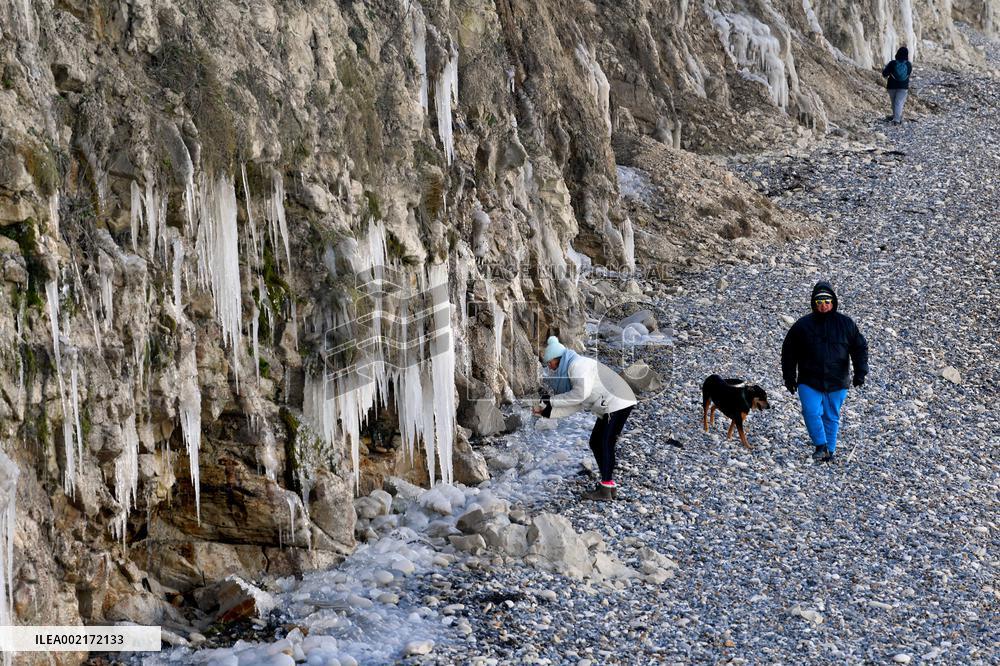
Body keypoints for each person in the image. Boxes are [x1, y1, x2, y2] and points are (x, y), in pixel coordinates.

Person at [532, 336, 637, 500]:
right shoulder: (570, 369)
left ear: (557, 358)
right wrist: (547, 413)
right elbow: (576, 404)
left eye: (549, 362)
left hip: (617, 401)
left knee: (604, 442)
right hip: (612, 403)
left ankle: (606, 489)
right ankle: (608, 486)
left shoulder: (577, 366)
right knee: (597, 442)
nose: (549, 366)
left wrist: (549, 401)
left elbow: (580, 395)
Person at [781, 282, 869, 463]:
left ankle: (829, 451)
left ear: (833, 302)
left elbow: (859, 348)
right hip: (808, 379)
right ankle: (820, 446)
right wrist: (789, 376)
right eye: (819, 300)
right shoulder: (802, 325)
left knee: (831, 416)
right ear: (813, 302)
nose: (823, 304)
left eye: (827, 300)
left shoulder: (846, 324)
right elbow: (789, 352)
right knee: (811, 412)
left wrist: (860, 373)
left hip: (837, 380)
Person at [882, 47, 912, 125]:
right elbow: (908, 74)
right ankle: (896, 119)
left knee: (894, 102)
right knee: (899, 102)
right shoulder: (908, 64)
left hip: (891, 86)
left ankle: (896, 118)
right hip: (903, 87)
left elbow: (884, 74)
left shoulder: (892, 63)